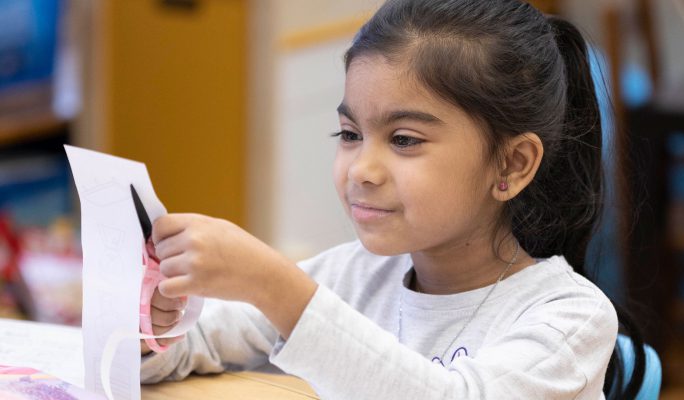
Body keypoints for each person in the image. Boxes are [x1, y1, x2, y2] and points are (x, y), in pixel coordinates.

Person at [141, 0, 646, 398]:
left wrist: (277, 287)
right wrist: (153, 323)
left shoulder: (570, 317)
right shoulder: (349, 277)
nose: (361, 169)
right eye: (349, 133)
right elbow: (191, 348)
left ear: (511, 165)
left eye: (404, 139)